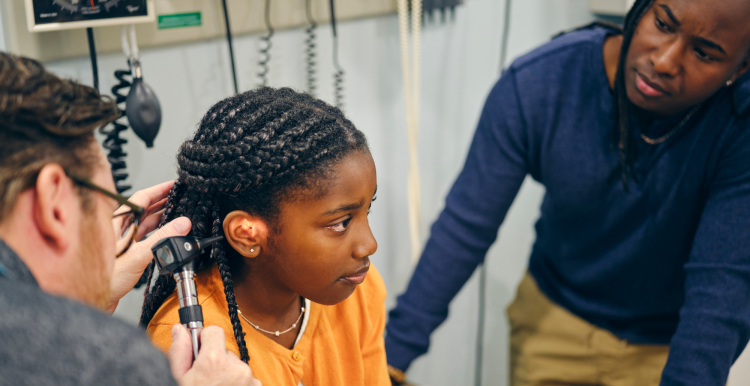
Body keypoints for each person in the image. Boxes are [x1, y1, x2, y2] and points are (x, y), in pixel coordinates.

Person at [385, 1, 750, 385]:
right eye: (661, 24)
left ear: (741, 68)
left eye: (704, 53)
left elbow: (722, 288)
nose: (665, 60)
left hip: (668, 347)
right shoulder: (541, 82)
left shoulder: (738, 130)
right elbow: (465, 229)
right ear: (638, 9)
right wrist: (391, 359)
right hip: (551, 325)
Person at [0, 52, 261, 386]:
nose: (113, 231)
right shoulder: (107, 362)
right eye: (109, 202)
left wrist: (91, 296)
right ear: (55, 205)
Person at [142, 87, 388, 386]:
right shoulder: (191, 347)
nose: (369, 245)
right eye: (340, 223)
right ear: (247, 235)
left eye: (367, 209)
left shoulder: (360, 291)